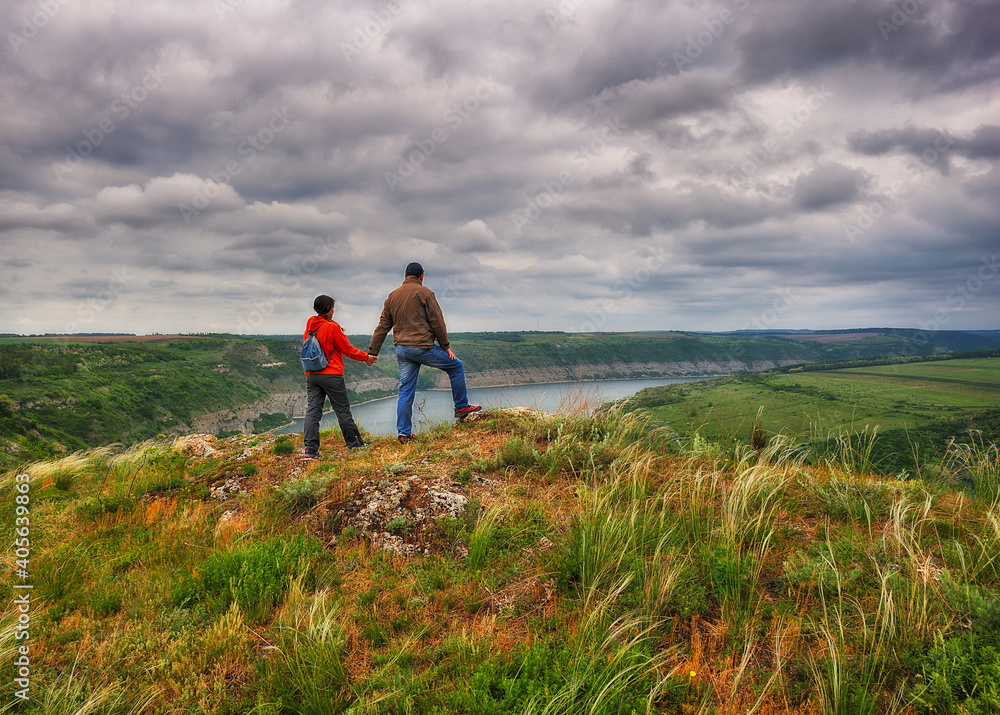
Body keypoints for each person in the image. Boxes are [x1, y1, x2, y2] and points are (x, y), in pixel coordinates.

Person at [368, 262, 480, 443]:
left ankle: (403, 434)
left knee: (406, 390)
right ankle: (461, 407)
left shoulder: (392, 296)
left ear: (405, 276)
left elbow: (383, 326)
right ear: (421, 276)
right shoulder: (425, 293)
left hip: (402, 349)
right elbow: (437, 322)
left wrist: (373, 352)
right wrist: (445, 346)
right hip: (421, 347)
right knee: (456, 366)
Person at [302, 294, 377, 458]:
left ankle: (310, 449)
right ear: (328, 309)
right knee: (342, 411)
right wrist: (367, 357)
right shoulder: (332, 328)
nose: (334, 312)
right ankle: (354, 444)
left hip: (312, 375)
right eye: (333, 308)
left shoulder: (310, 324)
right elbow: (348, 349)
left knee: (313, 412)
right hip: (331, 374)